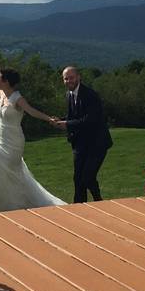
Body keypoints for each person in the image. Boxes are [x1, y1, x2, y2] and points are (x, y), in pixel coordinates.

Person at [0, 67, 66, 213]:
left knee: (11, 172)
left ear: (7, 82)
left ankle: (17, 203)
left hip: (14, 141)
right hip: (0, 140)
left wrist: (49, 119)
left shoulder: (17, 98)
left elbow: (31, 111)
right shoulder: (2, 94)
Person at [53, 66, 113, 203]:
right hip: (80, 143)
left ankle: (98, 201)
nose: (68, 81)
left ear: (79, 77)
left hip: (97, 143)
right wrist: (59, 120)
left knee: (87, 177)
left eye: (71, 77)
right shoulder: (69, 94)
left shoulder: (90, 95)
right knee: (78, 178)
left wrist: (67, 124)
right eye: (65, 78)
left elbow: (90, 120)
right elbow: (73, 116)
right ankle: (79, 206)